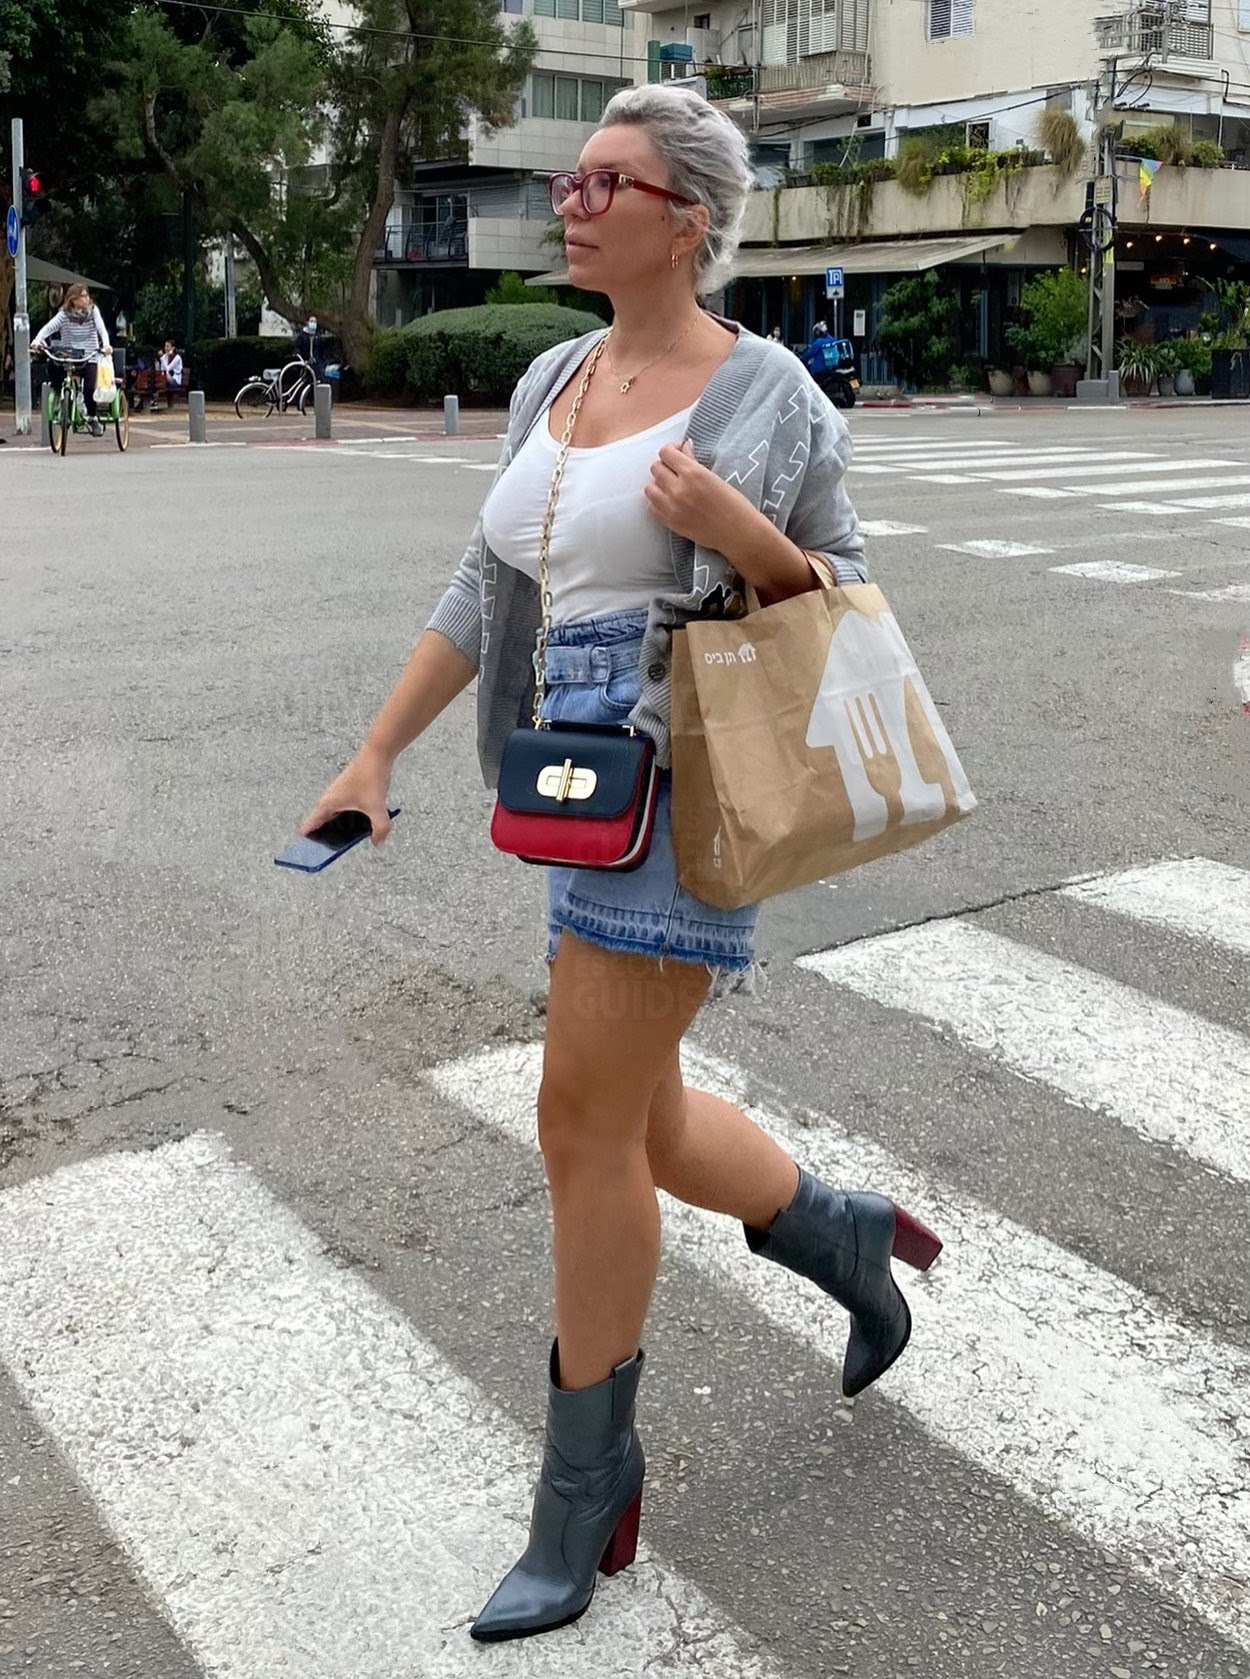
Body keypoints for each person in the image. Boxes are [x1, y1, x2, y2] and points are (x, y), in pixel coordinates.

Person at [299, 82, 941, 1644]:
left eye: (604, 182)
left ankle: (584, 1494)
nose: (570, 203)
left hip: (684, 780)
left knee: (576, 1119)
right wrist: (376, 750)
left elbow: (840, 600)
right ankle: (839, 1230)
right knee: (637, 1117)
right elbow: (485, 578)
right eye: (571, 180)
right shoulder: (556, 376)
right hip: (565, 778)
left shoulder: (767, 392)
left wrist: (739, 525)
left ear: (685, 220)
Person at [32, 285, 112, 436]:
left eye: (87, 296)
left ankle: (92, 417)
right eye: (83, 296)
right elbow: (49, 328)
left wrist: (106, 345)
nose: (87, 299)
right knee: (52, 365)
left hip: (89, 355)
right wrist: (37, 340)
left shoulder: (93, 312)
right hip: (68, 355)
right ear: (74, 300)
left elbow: (101, 329)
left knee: (89, 389)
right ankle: (59, 393)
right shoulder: (64, 314)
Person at [157, 339, 184, 406]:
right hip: (165, 379)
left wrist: (161, 358)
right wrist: (163, 357)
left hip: (175, 380)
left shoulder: (177, 357)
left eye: (168, 346)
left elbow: (168, 368)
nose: (166, 348)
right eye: (165, 346)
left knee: (166, 377)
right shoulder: (165, 356)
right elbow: (162, 369)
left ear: (173, 348)